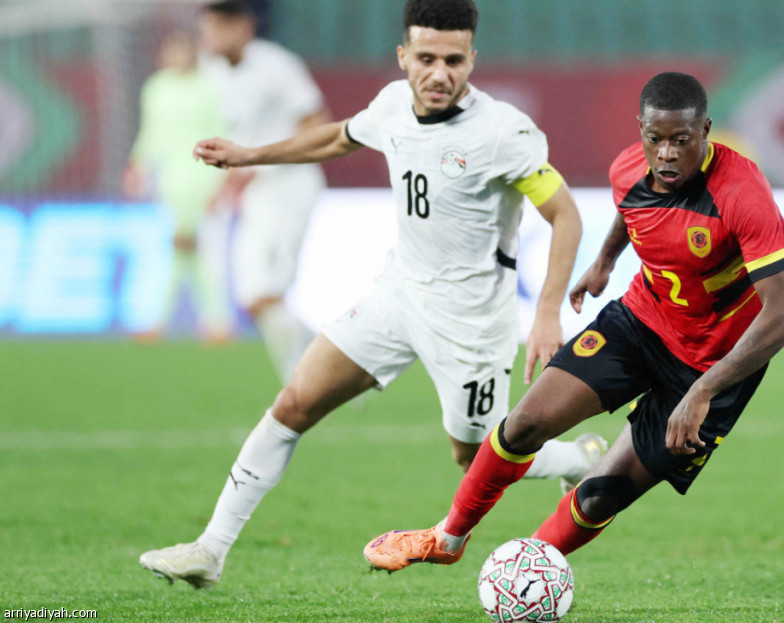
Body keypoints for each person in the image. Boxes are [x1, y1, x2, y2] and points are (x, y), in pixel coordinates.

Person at [138, 0, 607, 589]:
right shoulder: (390, 105)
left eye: (454, 60)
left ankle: (580, 459)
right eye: (427, 58)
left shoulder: (502, 132)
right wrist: (249, 155)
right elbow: (337, 138)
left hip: (470, 323)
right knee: (294, 403)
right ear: (404, 56)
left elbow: (565, 215)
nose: (440, 73)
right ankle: (210, 550)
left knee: (475, 454)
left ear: (472, 59)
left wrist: (545, 315)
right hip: (398, 295)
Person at [362, 72, 784, 572]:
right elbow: (631, 208)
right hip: (642, 322)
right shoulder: (629, 167)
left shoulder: (742, 194)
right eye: (655, 139)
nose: (666, 154)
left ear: (705, 129)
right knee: (524, 425)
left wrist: (702, 391)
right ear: (640, 130)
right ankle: (448, 537)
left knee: (599, 496)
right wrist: (604, 261)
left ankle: (520, 573)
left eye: (681, 140)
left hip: (712, 365)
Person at [198, 0, 328, 382]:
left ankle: (307, 381)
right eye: (207, 26)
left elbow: (316, 122)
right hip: (256, 192)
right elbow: (240, 134)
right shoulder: (211, 70)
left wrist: (262, 161)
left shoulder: (277, 66)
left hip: (290, 185)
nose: (209, 35)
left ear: (243, 26)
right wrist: (228, 181)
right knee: (253, 296)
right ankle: (331, 370)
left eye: (219, 25)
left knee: (267, 292)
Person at [123, 31, 232, 342]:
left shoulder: (209, 86)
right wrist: (138, 165)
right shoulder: (155, 87)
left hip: (203, 177)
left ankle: (168, 321)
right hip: (170, 181)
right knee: (185, 249)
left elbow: (223, 129)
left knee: (194, 248)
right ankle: (215, 322)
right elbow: (151, 132)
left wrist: (224, 179)